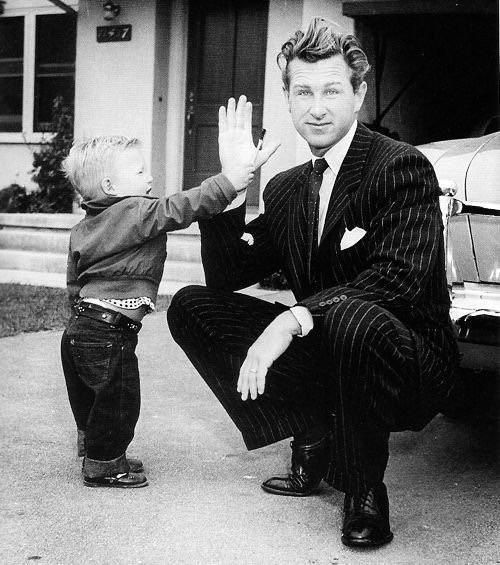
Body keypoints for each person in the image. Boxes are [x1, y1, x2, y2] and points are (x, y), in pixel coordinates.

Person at [167, 17, 459, 547]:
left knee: (349, 314)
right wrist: (231, 184)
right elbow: (227, 274)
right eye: (303, 91)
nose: (317, 107)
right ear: (287, 98)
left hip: (407, 361)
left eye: (331, 90)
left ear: (359, 94)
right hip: (329, 352)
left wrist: (295, 315)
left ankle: (364, 489)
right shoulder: (286, 189)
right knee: (190, 306)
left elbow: (398, 279)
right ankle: (315, 429)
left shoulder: (401, 168)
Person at [60, 98, 279, 488]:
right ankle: (104, 464)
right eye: (140, 170)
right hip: (109, 333)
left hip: (80, 328)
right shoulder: (136, 211)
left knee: (95, 396)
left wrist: (76, 320)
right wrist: (231, 180)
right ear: (111, 187)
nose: (148, 177)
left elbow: (74, 279)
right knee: (121, 398)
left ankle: (99, 449)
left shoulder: (85, 226)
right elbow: (180, 208)